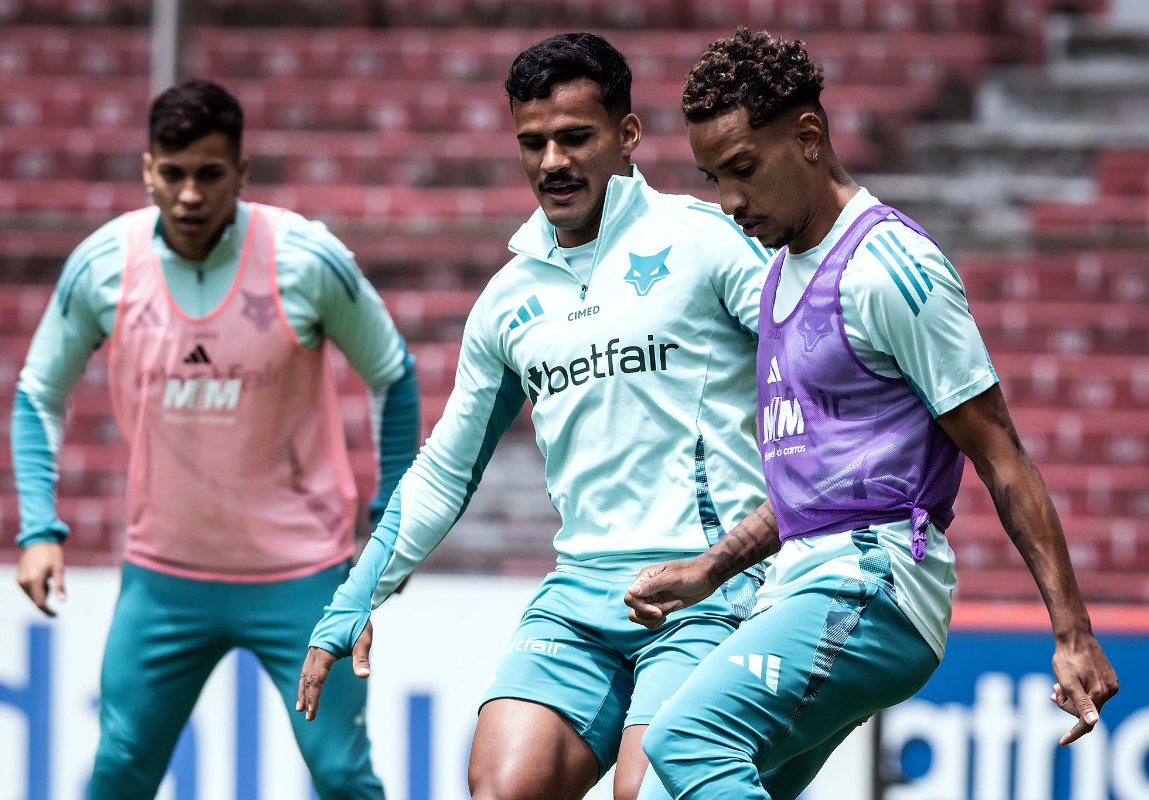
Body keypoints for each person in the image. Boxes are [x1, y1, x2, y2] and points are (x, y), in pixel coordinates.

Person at [623, 29, 1119, 800]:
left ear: (810, 138)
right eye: (714, 177)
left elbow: (1002, 456)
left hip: (876, 582)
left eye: (745, 170)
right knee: (663, 792)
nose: (731, 201)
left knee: (684, 737)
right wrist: (709, 570)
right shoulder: (780, 273)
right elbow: (813, 485)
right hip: (807, 578)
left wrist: (1072, 633)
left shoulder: (892, 269)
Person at [296, 33, 774, 800]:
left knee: (649, 795)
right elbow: (447, 467)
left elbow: (817, 373)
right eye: (533, 141)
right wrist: (358, 598)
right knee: (502, 788)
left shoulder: (705, 242)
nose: (553, 161)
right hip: (581, 596)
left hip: (710, 587)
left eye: (576, 137)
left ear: (627, 135)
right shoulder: (508, 299)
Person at [12, 79, 419, 799]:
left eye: (209, 174)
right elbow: (38, 392)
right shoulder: (106, 264)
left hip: (306, 577)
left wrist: (390, 518)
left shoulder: (305, 259)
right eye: (173, 174)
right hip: (165, 578)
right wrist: (39, 528)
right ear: (147, 171)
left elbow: (394, 375)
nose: (191, 194)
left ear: (242, 173)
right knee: (118, 772)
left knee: (343, 776)